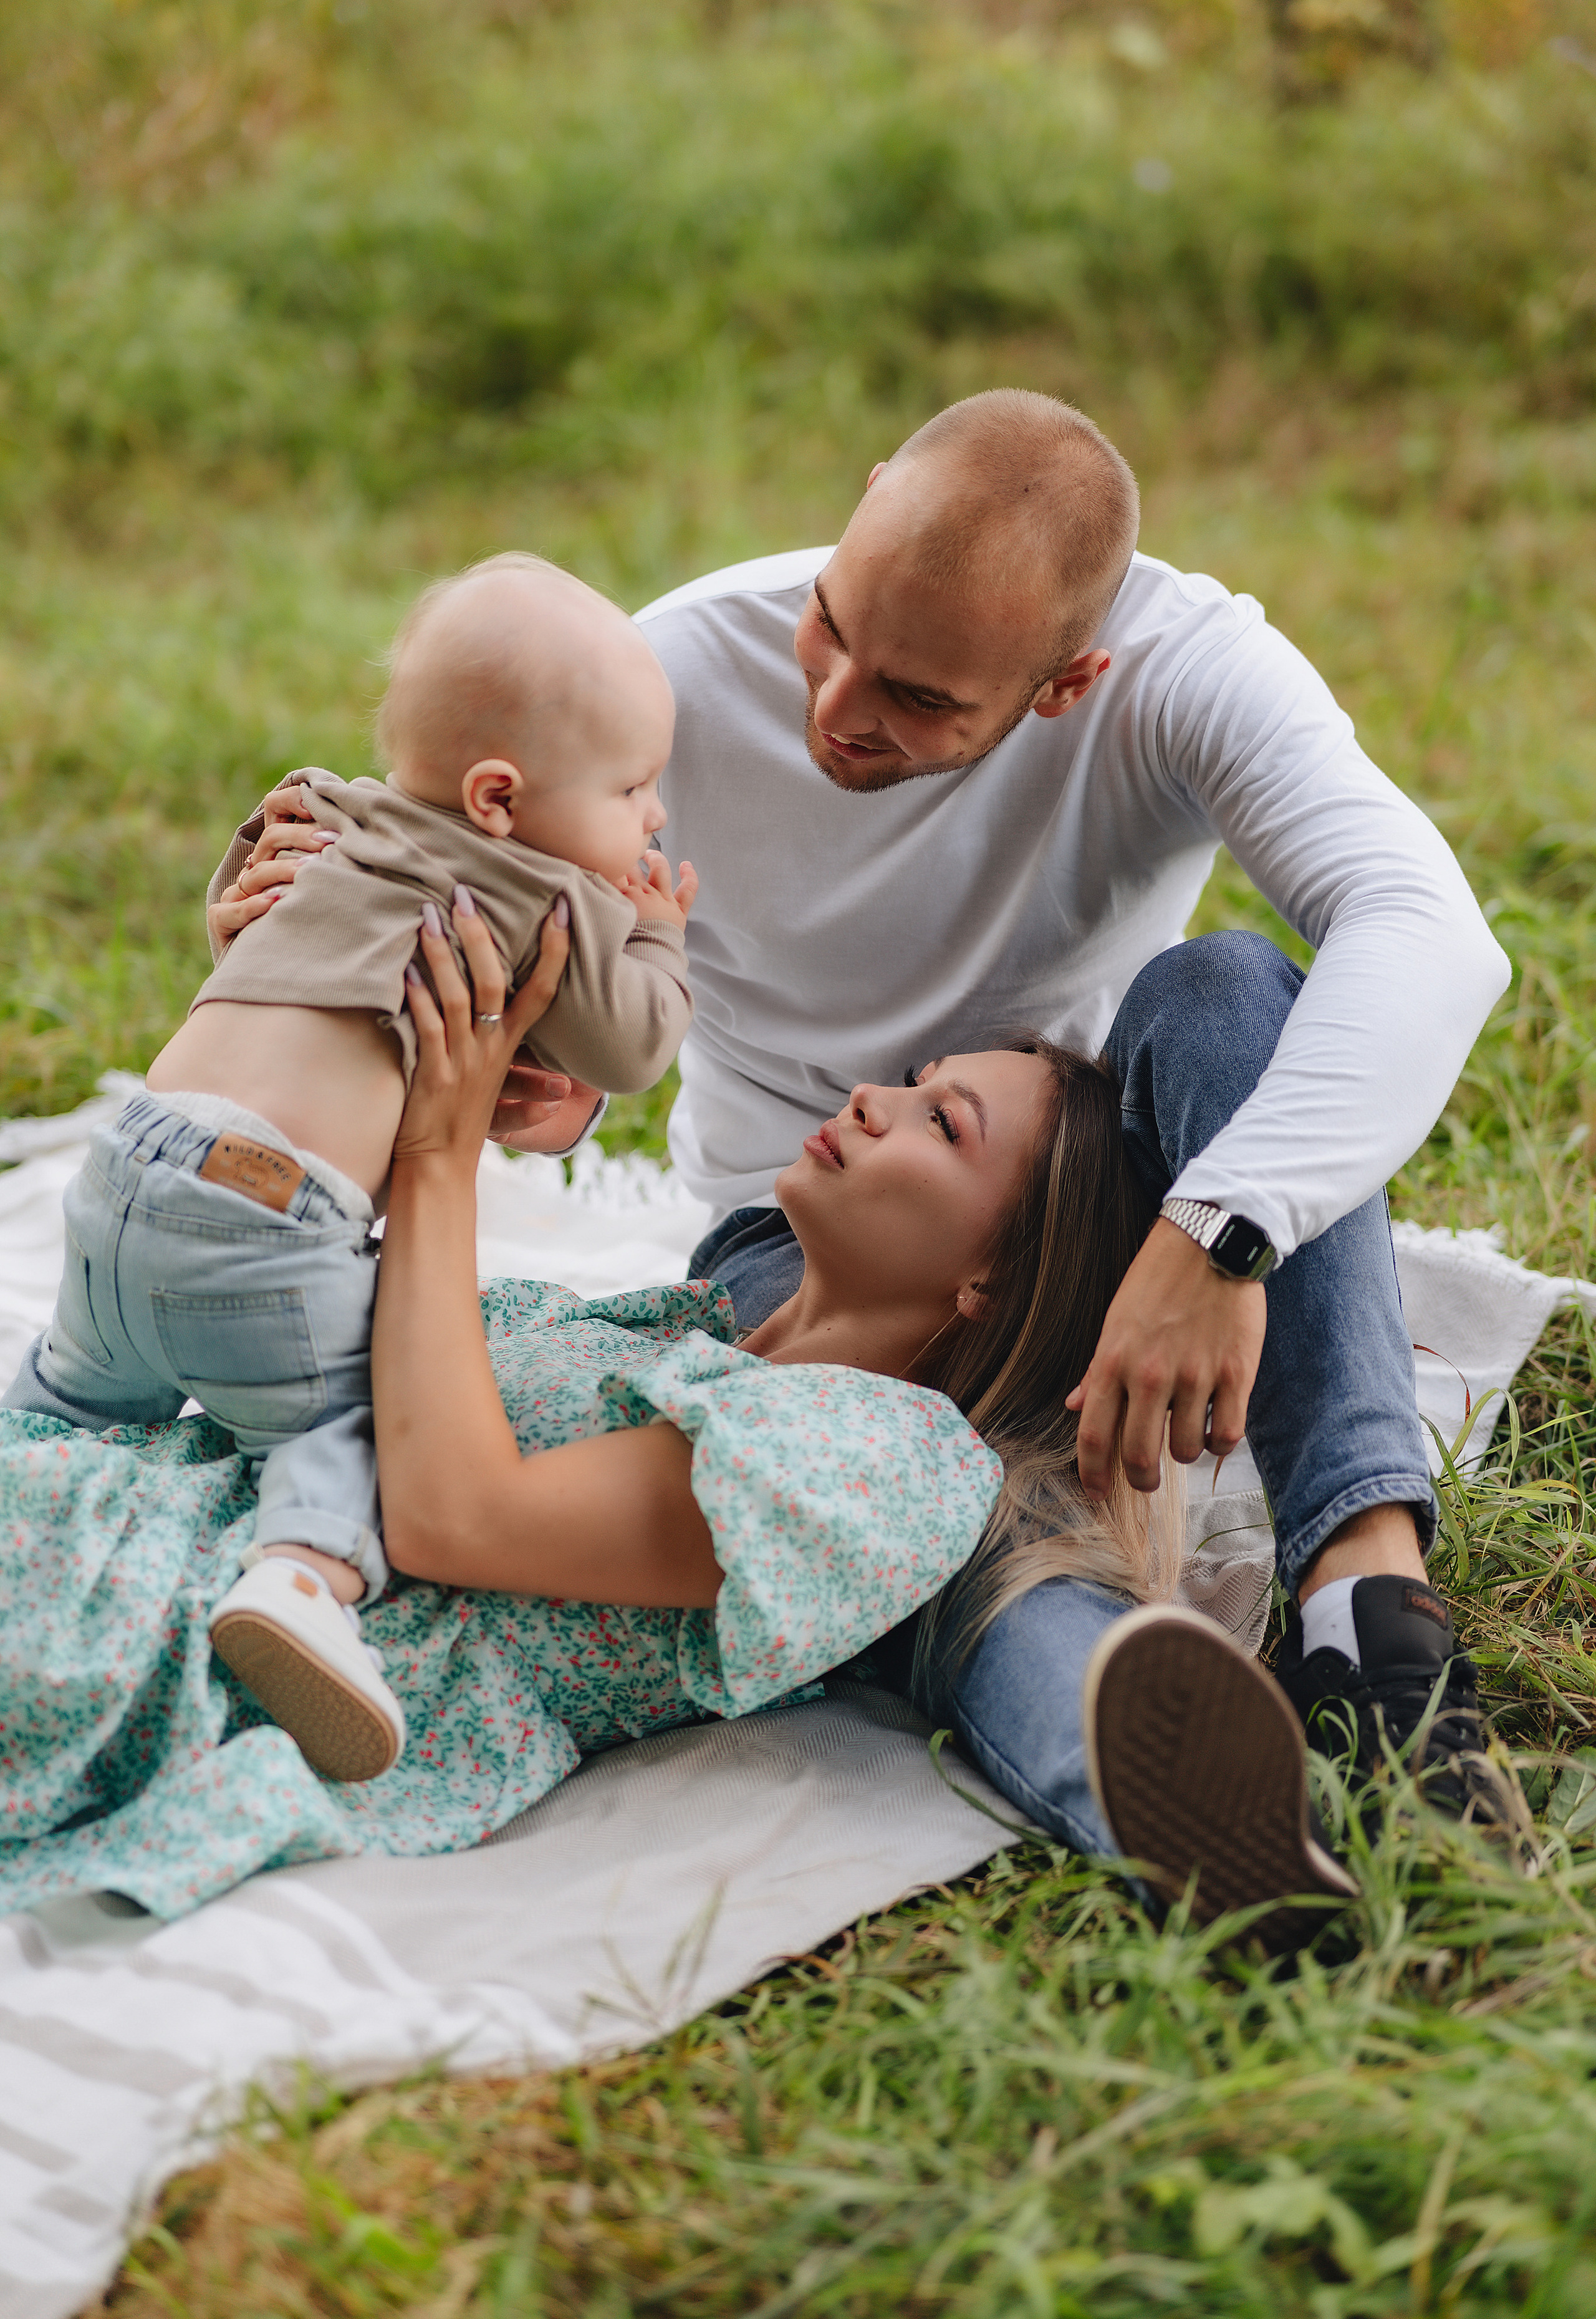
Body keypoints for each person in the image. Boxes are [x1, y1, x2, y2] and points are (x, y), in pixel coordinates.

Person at [219, 389, 1516, 1914]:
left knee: (1226, 989)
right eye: (831, 623)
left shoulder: (1187, 676)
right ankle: (1185, 1809)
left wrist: (1219, 1236)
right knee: (925, 1525)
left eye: (913, 695)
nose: (835, 699)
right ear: (858, 504)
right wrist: (324, 890)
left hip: (1112, 1204)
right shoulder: (679, 668)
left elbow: (1429, 930)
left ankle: (1368, 1626)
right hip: (816, 1241)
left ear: (1068, 679)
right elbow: (474, 864)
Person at [0, 904, 1191, 1927]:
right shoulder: (678, 1334)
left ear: (995, 1282)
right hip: (130, 1497)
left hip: (194, 1639)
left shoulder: (892, 1462)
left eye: (944, 1122)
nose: (877, 1097)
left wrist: (444, 1150)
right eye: (917, 1082)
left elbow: (453, 1516)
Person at [2, 554, 695, 1787]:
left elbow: (259, 845)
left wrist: (240, 901)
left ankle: (31, 1448)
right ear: (498, 798)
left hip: (123, 1174)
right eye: (635, 787)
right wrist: (654, 932)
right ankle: (301, 1580)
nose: (651, 820)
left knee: (73, 1398)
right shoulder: (544, 890)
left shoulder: (332, 811)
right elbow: (633, 1044)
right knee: (376, 1407)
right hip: (262, 1228)